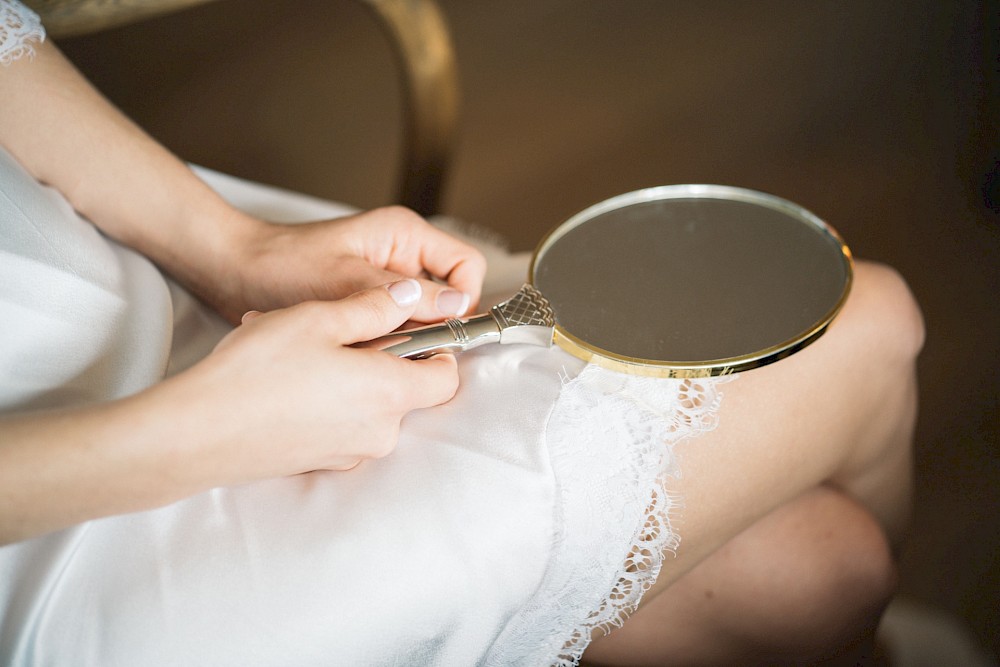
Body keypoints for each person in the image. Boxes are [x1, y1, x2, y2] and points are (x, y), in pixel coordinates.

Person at [0, 2, 924, 664]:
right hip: (66, 555)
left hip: (121, 289)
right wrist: (196, 434)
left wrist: (233, 246)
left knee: (828, 572)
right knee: (874, 324)